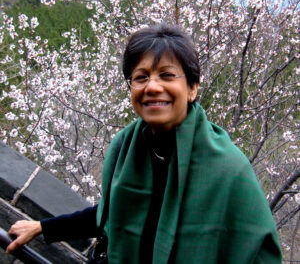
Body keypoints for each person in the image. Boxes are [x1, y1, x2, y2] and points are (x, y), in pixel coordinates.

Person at [6, 23, 282, 263]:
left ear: (192, 87)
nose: (152, 87)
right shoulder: (128, 149)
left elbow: (257, 249)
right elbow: (112, 215)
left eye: (167, 75)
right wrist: (43, 228)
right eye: (141, 77)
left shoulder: (228, 168)